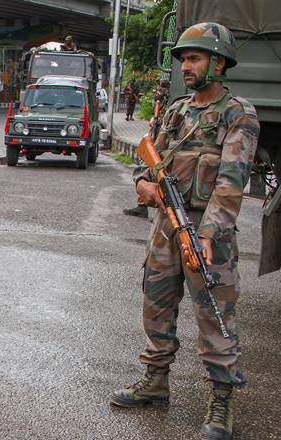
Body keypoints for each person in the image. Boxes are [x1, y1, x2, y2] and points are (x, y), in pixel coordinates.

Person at [109, 23, 260, 440]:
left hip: (207, 231)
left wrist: (208, 236)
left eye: (193, 58)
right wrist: (143, 186)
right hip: (164, 226)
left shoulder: (238, 113)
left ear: (218, 61)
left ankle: (222, 400)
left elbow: (231, 184)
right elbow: (147, 162)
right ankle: (155, 382)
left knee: (214, 314)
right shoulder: (176, 111)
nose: (186, 66)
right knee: (155, 304)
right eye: (183, 59)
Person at [123, 80, 171, 219]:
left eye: (162, 86)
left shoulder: (170, 101)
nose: (160, 90)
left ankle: (158, 209)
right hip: (156, 134)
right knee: (146, 169)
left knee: (157, 170)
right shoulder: (162, 100)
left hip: (162, 137)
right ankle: (142, 205)